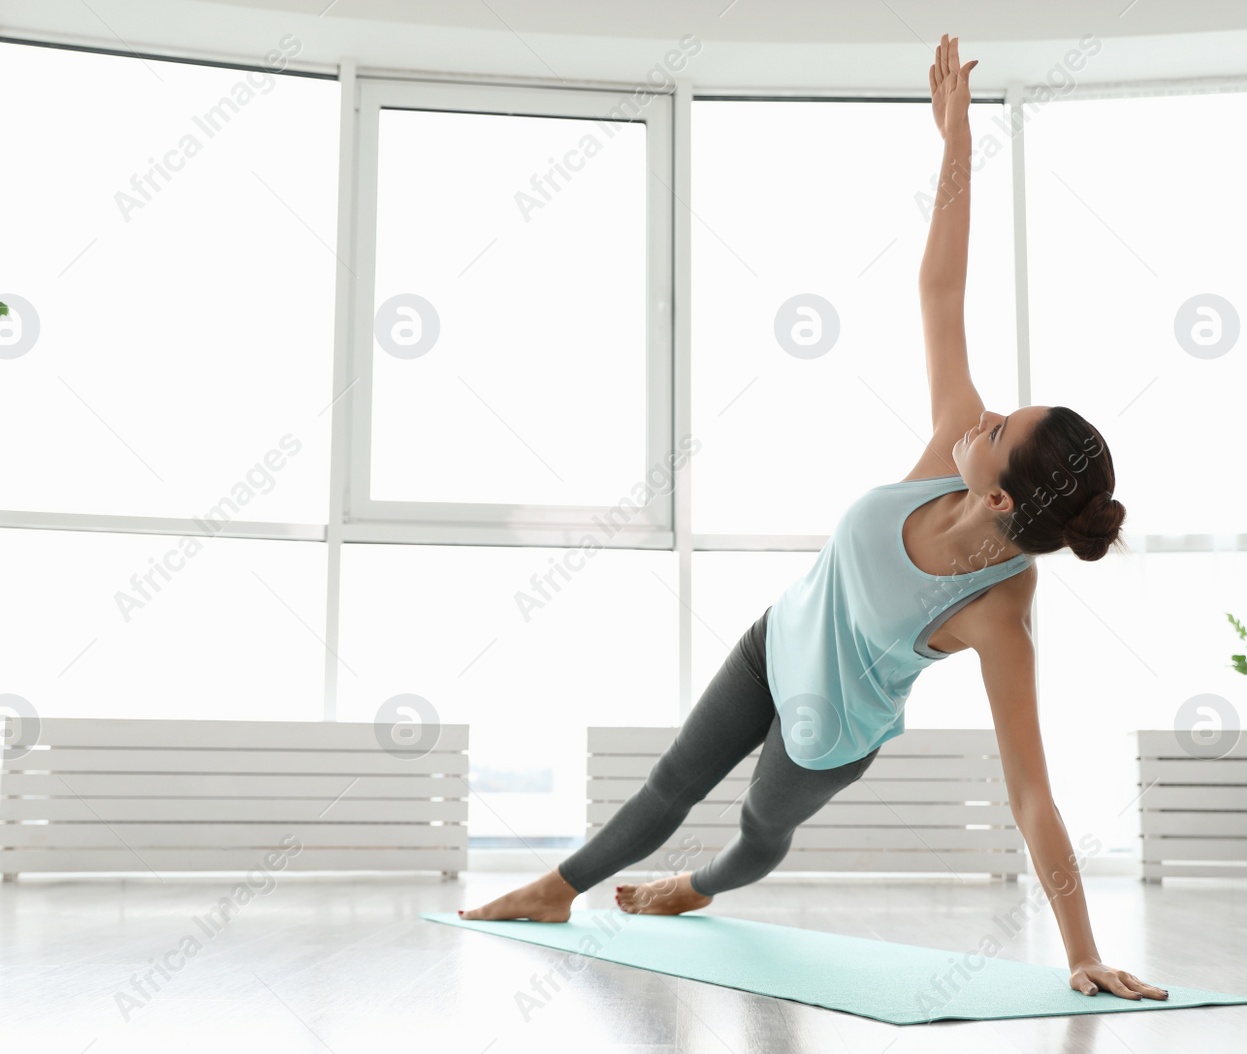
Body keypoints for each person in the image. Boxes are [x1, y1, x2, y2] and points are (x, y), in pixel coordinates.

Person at [460, 34, 1167, 1004]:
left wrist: (1080, 948)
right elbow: (939, 289)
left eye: (999, 427)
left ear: (1004, 498)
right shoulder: (950, 454)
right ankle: (553, 888)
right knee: (671, 781)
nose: (982, 415)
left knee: (758, 836)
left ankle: (690, 890)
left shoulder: (998, 609)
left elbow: (1032, 792)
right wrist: (956, 140)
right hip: (774, 640)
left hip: (827, 726)